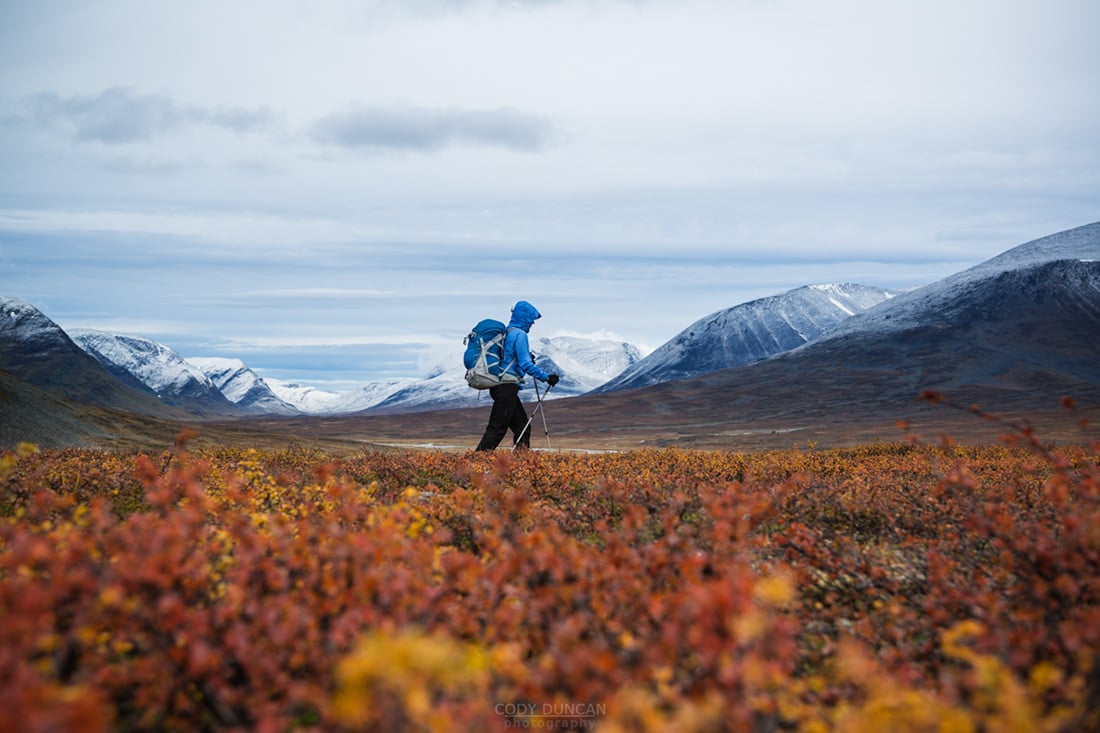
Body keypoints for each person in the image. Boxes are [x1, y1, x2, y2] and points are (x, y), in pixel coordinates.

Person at [475, 300, 560, 451]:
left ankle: (520, 465)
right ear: (525, 317)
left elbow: (510, 358)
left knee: (523, 428)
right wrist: (546, 377)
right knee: (497, 429)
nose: (532, 324)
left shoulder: (507, 333)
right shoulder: (519, 335)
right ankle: (473, 463)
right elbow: (525, 364)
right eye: (531, 320)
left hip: (501, 387)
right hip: (507, 387)